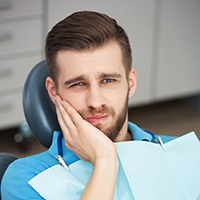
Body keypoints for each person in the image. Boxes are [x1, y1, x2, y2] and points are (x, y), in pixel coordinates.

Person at [1, 11, 174, 199]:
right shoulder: (26, 179)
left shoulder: (179, 154)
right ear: (53, 91)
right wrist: (104, 159)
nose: (95, 101)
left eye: (108, 80)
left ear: (130, 83)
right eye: (78, 84)